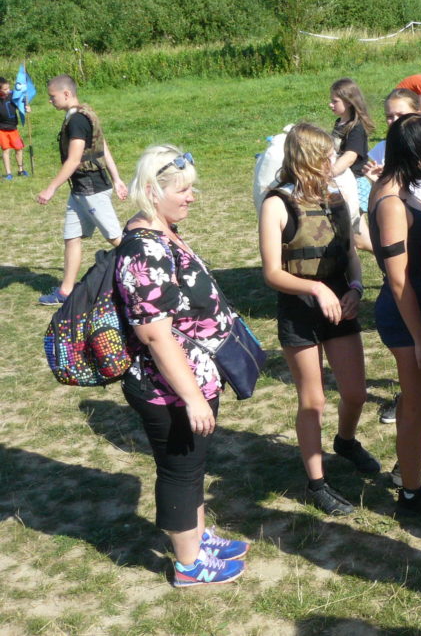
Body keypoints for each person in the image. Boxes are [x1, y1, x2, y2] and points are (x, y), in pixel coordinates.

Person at [115, 145, 249, 587]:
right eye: (183, 190)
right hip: (168, 388)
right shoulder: (144, 249)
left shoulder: (162, 229)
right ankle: (189, 565)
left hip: (190, 378)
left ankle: (197, 537)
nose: (192, 197)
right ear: (153, 191)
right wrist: (192, 397)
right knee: (179, 471)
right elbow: (155, 334)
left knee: (193, 466)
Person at [258, 123, 378, 517]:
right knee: (313, 400)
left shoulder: (336, 196)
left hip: (340, 304)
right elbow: (272, 272)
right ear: (307, 159)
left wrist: (355, 287)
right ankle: (317, 482)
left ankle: (345, 441)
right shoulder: (277, 203)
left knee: (356, 393)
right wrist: (316, 289)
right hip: (300, 309)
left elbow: (351, 252)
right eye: (327, 156)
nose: (334, 162)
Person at [367, 114, 421, 520]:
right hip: (406, 318)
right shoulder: (393, 204)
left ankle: (408, 468)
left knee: (416, 405)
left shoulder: (389, 188)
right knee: (418, 407)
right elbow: (398, 279)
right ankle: (411, 494)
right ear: (419, 155)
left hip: (417, 311)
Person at [35, 74, 128, 305]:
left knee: (117, 239)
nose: (50, 100)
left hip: (92, 190)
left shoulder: (77, 120)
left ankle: (156, 271)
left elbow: (75, 159)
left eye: (52, 96)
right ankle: (65, 292)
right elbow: (103, 147)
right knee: (72, 237)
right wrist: (117, 178)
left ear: (66, 94)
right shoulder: (81, 114)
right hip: (79, 191)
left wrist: (51, 188)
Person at [368, 89, 421, 211]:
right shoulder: (382, 148)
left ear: (417, 114)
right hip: (398, 211)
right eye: (389, 116)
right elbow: (378, 198)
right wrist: (379, 181)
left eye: (401, 115)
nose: (395, 120)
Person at [328, 78, 376, 251]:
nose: (330, 104)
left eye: (335, 101)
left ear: (348, 102)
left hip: (355, 184)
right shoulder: (339, 123)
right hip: (343, 183)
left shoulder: (356, 128)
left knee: (359, 238)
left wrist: (330, 172)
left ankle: (393, 262)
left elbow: (350, 156)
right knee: (348, 235)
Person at [0, 77, 29, 179]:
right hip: (2, 130)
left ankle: (21, 170)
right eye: (5, 89)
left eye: (8, 88)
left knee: (18, 148)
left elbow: (21, 104)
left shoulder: (13, 96)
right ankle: (8, 173)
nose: (8, 90)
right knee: (6, 150)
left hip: (13, 129)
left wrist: (26, 107)